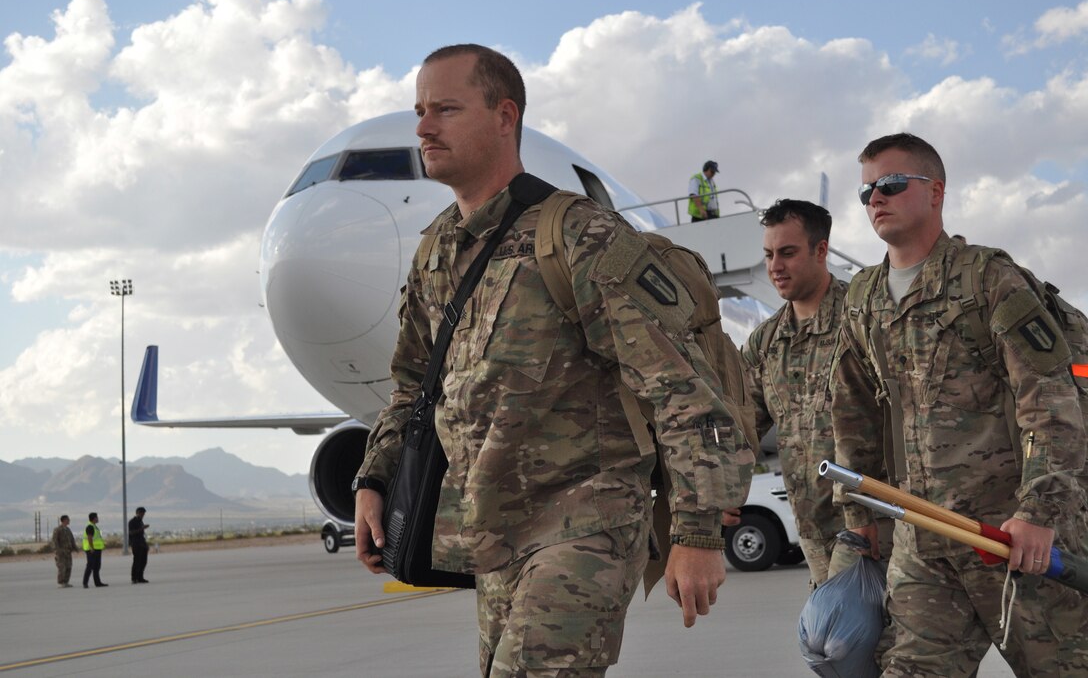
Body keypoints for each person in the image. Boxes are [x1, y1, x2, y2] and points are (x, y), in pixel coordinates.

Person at [353, 43, 752, 677]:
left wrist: (696, 533)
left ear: (504, 116)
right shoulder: (438, 249)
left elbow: (683, 391)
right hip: (492, 532)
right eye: (420, 111)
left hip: (584, 523)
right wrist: (375, 478)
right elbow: (413, 384)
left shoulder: (579, 236)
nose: (424, 128)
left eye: (447, 109)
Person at [832, 132, 1088, 676]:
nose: (876, 198)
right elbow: (853, 413)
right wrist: (863, 517)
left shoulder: (988, 280)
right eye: (867, 192)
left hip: (1011, 538)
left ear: (936, 191)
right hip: (922, 539)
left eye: (892, 184)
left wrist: (1039, 514)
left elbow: (1049, 399)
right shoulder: (861, 299)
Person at [741, 199, 891, 588]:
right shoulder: (767, 341)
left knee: (859, 638)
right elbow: (743, 424)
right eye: (769, 254)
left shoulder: (863, 319)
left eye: (787, 253)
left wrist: (865, 517)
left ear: (821, 250)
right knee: (836, 641)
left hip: (874, 522)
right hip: (811, 530)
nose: (775, 266)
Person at [51, 515, 78, 588]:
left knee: (69, 566)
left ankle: (66, 581)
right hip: (61, 552)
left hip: (68, 552)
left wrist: (75, 548)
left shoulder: (68, 529)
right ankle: (62, 582)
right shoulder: (57, 529)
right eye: (68, 519)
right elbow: (54, 541)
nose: (69, 521)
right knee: (62, 567)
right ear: (64, 520)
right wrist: (57, 550)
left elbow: (72, 539)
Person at [82, 512, 107, 588]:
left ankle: (98, 582)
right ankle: (85, 583)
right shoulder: (90, 526)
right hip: (92, 550)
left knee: (97, 566)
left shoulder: (94, 526)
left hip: (97, 549)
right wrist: (91, 548)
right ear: (94, 518)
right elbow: (89, 538)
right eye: (97, 517)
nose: (98, 518)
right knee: (90, 566)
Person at [128, 507, 149, 584]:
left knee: (143, 561)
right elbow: (131, 533)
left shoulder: (140, 521)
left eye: (143, 514)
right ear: (137, 513)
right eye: (141, 513)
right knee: (136, 561)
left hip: (142, 544)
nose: (143, 515)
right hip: (136, 544)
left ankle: (140, 577)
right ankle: (134, 578)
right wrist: (142, 528)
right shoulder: (132, 522)